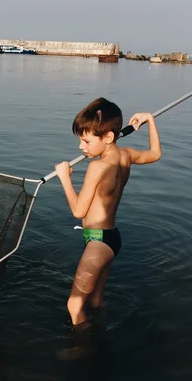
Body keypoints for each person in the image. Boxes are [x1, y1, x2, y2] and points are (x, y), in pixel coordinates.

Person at [55, 97, 161, 328]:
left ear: (108, 137)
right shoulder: (126, 155)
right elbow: (155, 154)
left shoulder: (97, 167)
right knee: (95, 300)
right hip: (111, 238)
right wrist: (150, 120)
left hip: (97, 242)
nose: (81, 147)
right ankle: (104, 332)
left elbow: (78, 210)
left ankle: (84, 351)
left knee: (74, 307)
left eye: (86, 141)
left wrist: (64, 178)